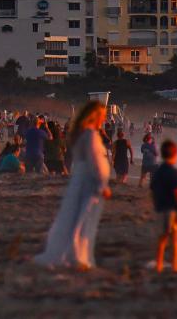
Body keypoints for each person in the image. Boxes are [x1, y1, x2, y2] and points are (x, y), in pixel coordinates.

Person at [35, 101, 112, 269]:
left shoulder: (83, 134)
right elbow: (94, 161)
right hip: (89, 182)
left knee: (79, 217)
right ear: (94, 116)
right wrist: (102, 184)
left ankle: (76, 255)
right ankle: (76, 256)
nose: (104, 119)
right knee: (82, 219)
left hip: (83, 180)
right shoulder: (90, 135)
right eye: (102, 116)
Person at [149, 139, 177, 273]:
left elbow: (152, 190)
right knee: (174, 239)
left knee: (162, 239)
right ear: (175, 155)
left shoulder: (157, 172)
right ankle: (175, 265)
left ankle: (159, 264)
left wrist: (155, 204)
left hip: (160, 208)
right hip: (172, 210)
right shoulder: (174, 173)